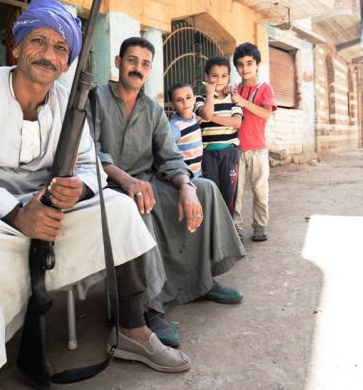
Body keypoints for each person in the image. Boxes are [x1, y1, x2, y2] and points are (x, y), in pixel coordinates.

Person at [0, 0, 190, 389]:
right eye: (38, 41)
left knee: (118, 208)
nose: (48, 54)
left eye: (60, 48)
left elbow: (90, 166)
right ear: (16, 47)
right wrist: (15, 213)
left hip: (48, 208)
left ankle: (133, 328)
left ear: (67, 63)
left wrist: (76, 189)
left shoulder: (69, 102)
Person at [88, 36, 246, 349]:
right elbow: (89, 151)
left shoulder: (152, 109)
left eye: (145, 64)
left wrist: (186, 186)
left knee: (206, 189)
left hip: (149, 180)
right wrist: (128, 181)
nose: (138, 69)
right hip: (108, 186)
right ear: (119, 63)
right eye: (132, 61)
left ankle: (201, 281)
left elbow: (170, 157)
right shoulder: (97, 98)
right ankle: (148, 307)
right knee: (137, 208)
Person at [231, 42, 277, 242]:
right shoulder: (234, 90)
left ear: (257, 64)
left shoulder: (264, 88)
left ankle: (260, 226)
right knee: (236, 191)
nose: (245, 68)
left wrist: (244, 103)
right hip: (235, 148)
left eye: (249, 63)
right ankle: (235, 227)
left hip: (258, 149)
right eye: (240, 64)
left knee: (260, 189)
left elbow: (266, 114)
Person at [194, 55, 243, 219]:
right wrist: (209, 93)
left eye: (224, 76)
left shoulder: (234, 100)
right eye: (214, 76)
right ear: (207, 77)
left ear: (228, 77)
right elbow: (206, 112)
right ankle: (213, 229)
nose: (219, 80)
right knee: (211, 191)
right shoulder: (200, 99)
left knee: (229, 194)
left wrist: (211, 118)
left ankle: (228, 229)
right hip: (208, 155)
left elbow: (236, 123)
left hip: (230, 153)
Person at [168, 81, 208, 177]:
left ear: (194, 99)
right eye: (179, 100)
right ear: (172, 104)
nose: (185, 103)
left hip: (198, 173)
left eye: (188, 97)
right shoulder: (174, 127)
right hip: (184, 177)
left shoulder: (194, 117)